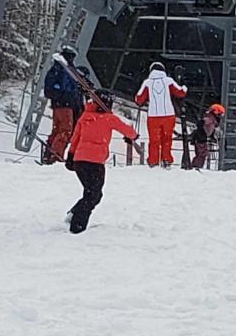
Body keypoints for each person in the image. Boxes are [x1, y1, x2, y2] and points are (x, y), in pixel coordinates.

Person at [64, 89, 137, 234]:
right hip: (95, 162)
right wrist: (133, 136)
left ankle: (75, 213)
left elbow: (75, 138)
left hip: (80, 161)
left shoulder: (85, 117)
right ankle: (77, 225)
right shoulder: (109, 118)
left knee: (91, 193)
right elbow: (127, 130)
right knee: (94, 195)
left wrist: (70, 156)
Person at [135, 61, 188, 168]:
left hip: (153, 116)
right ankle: (166, 160)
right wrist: (184, 87)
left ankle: (153, 161)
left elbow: (139, 99)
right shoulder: (168, 81)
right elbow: (180, 93)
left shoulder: (147, 83)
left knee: (154, 140)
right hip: (168, 115)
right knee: (167, 139)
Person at [43, 47, 83, 164]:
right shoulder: (65, 70)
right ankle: (56, 155)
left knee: (58, 129)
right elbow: (69, 88)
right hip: (65, 104)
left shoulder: (59, 68)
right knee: (65, 130)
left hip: (59, 104)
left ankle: (49, 153)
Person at [190, 103, 225, 169]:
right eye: (220, 114)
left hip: (201, 137)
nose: (220, 116)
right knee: (202, 153)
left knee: (202, 153)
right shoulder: (210, 118)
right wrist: (198, 128)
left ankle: (196, 166)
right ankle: (196, 166)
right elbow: (202, 122)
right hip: (200, 138)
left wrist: (212, 137)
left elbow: (209, 129)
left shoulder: (212, 119)